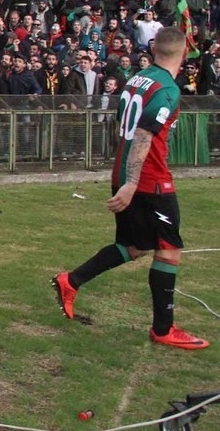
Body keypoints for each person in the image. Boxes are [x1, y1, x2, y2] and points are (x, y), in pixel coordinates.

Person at [52, 28, 208, 350]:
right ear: (183, 53)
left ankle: (72, 280)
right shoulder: (167, 88)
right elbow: (142, 136)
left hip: (122, 172)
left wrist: (124, 179)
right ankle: (163, 329)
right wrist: (133, 184)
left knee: (133, 246)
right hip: (149, 181)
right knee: (169, 247)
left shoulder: (138, 78)